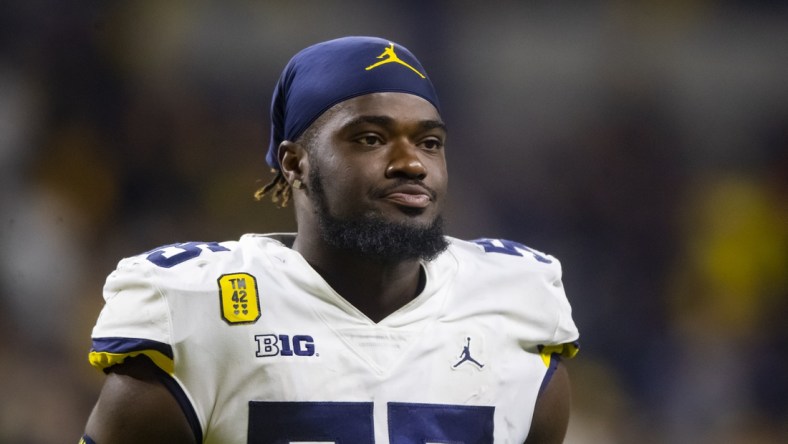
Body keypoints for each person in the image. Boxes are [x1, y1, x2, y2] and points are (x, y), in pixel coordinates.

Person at [81, 36, 580, 444]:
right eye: (370, 138)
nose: (412, 163)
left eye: (430, 142)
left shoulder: (514, 304)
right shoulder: (200, 308)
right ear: (296, 163)